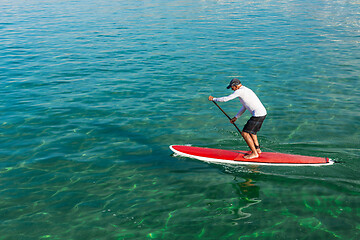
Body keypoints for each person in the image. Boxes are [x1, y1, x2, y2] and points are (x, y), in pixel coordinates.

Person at [208, 78, 267, 159]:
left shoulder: (239, 91)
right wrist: (236, 117)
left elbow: (226, 99)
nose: (232, 89)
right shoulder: (246, 90)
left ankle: (254, 153)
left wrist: (213, 99)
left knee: (245, 133)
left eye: (232, 87)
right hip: (262, 113)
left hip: (258, 115)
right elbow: (245, 106)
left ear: (235, 86)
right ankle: (258, 149)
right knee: (252, 132)